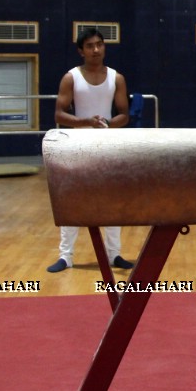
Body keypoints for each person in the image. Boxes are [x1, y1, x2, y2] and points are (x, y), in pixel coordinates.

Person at [46, 28, 136, 273]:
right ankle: (66, 256)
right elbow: (59, 114)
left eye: (99, 44)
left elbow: (124, 115)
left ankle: (114, 254)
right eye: (90, 46)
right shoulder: (71, 77)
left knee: (112, 199)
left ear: (104, 47)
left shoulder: (116, 78)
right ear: (81, 51)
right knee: (72, 199)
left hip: (108, 145)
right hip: (78, 145)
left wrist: (106, 123)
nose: (96, 50)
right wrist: (86, 122)